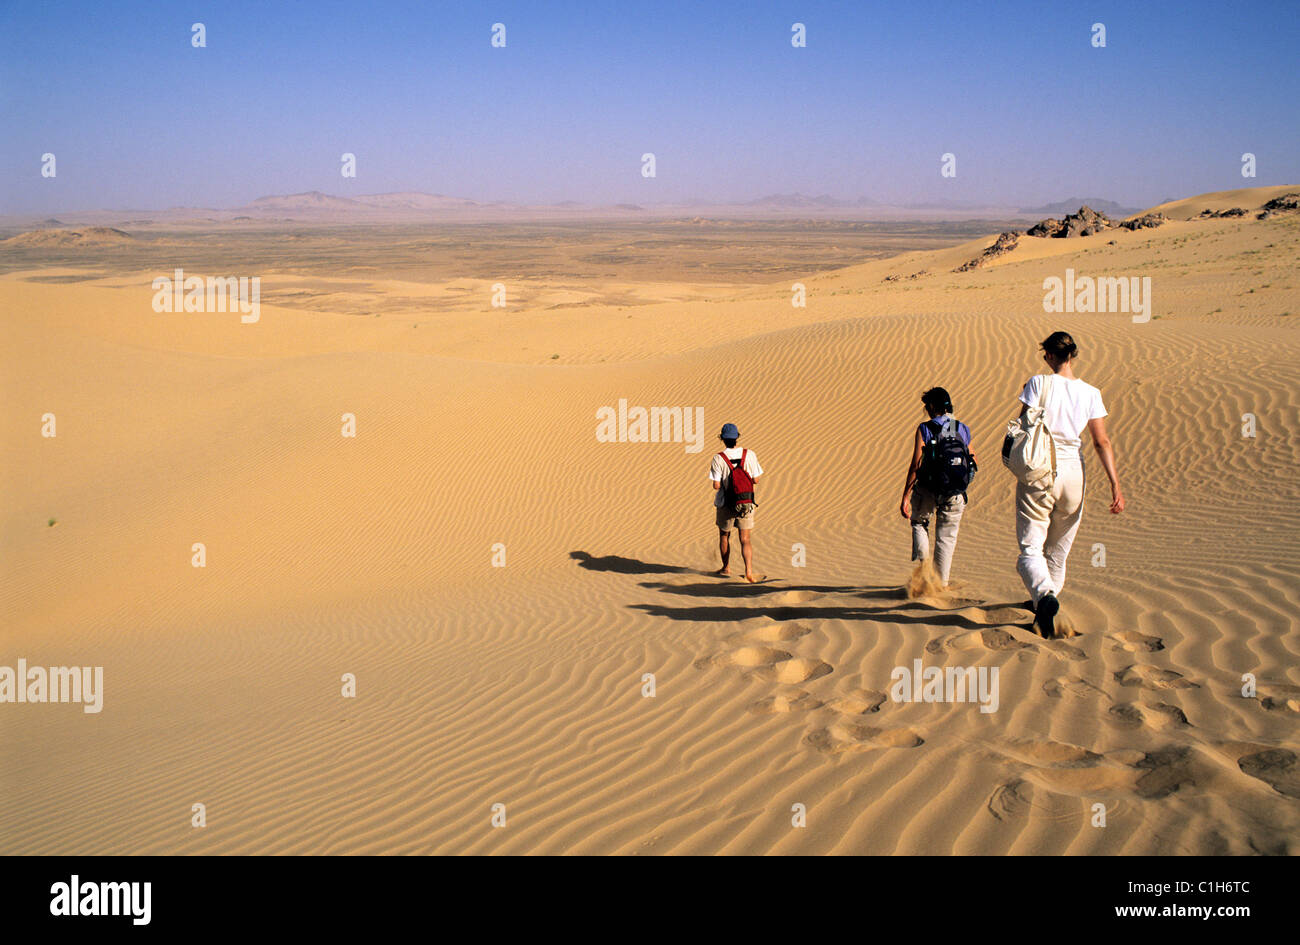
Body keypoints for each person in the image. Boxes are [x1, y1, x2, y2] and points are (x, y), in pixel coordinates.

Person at [1015, 331, 1125, 637]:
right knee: (1058, 553)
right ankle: (1045, 607)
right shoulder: (1091, 392)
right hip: (1075, 474)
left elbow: (1023, 425)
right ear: (1072, 356)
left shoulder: (1038, 383)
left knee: (1029, 550)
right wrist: (1115, 485)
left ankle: (1044, 597)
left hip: (1040, 469)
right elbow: (1101, 441)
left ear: (1050, 355)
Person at [899, 387, 976, 585]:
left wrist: (906, 496)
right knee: (946, 538)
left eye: (927, 406)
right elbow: (972, 460)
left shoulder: (926, 428)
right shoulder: (962, 428)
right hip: (956, 492)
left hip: (927, 488)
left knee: (919, 523)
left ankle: (925, 566)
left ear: (933, 406)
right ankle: (940, 586)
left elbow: (916, 464)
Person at [710, 423, 764, 582]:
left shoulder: (718, 458)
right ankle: (748, 571)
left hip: (726, 503)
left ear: (722, 439)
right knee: (745, 539)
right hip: (746, 503)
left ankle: (726, 568)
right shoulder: (750, 454)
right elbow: (756, 479)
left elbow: (716, 485)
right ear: (737, 437)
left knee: (724, 535)